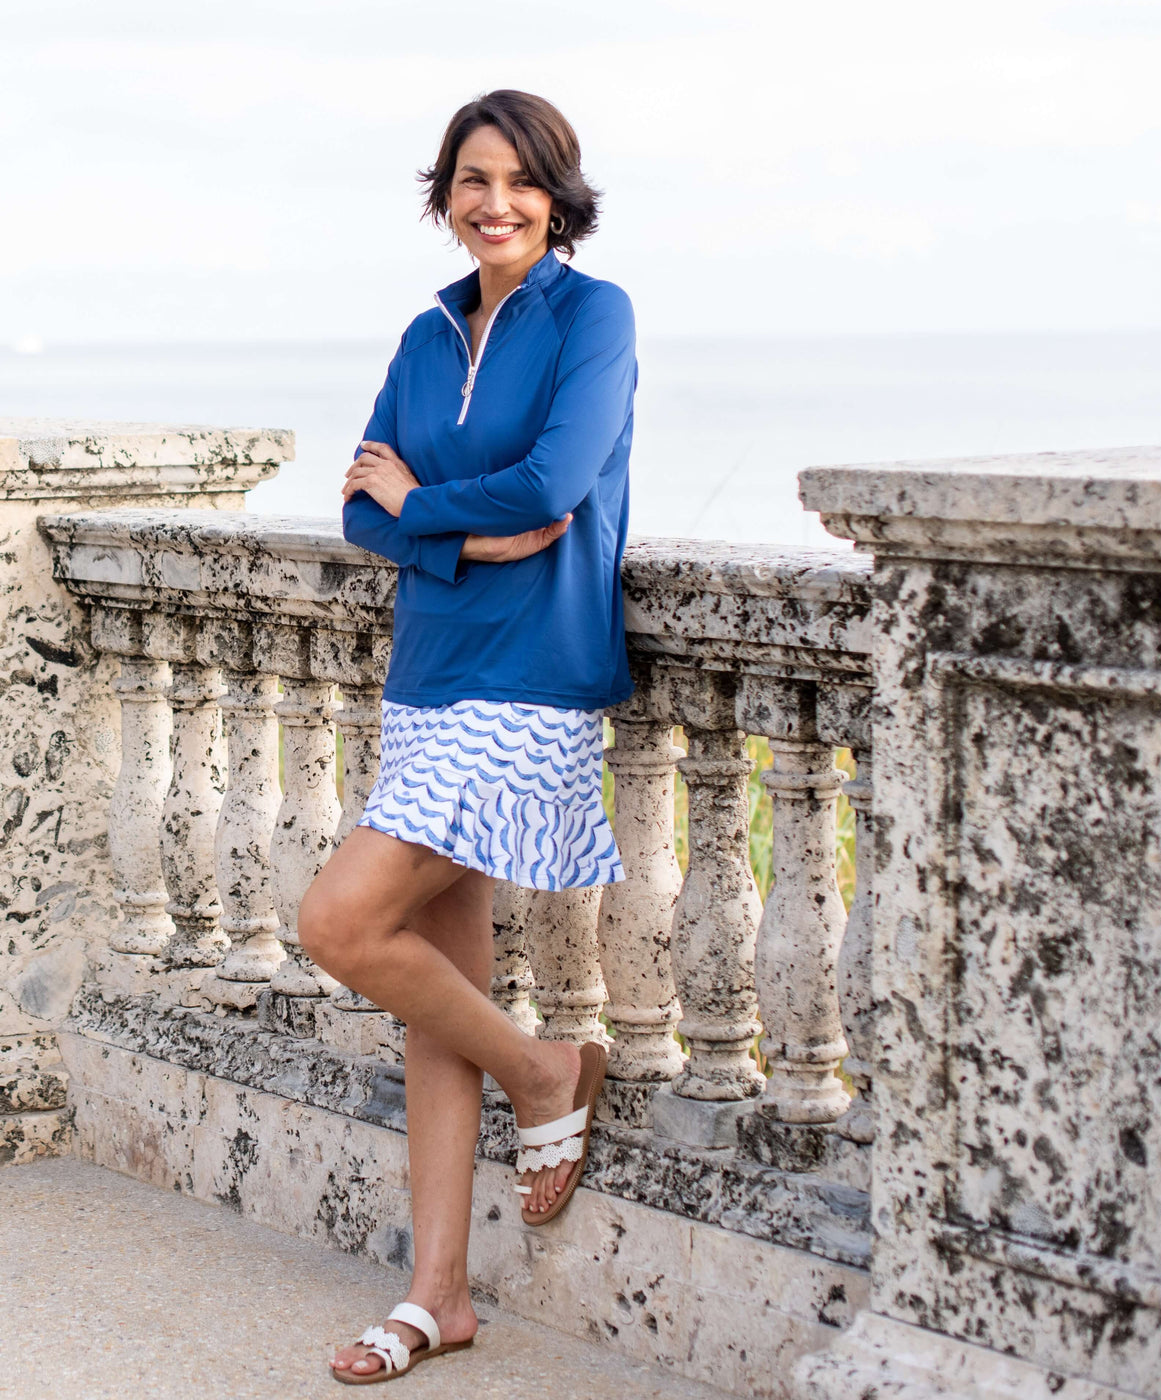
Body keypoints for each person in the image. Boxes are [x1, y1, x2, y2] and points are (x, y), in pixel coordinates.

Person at [297, 88, 636, 1385]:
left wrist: (426, 505)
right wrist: (459, 524)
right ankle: (438, 1294)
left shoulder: (594, 316)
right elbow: (360, 513)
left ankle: (548, 1076)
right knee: (431, 983)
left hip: (531, 677)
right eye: (470, 180)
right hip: (429, 672)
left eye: (519, 179)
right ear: (443, 195)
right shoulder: (428, 331)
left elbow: (556, 484)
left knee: (341, 923)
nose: (494, 202)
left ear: (557, 191)